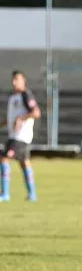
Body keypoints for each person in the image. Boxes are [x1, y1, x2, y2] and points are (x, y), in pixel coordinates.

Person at [2, 71, 41, 202]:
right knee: (24, 163)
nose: (14, 82)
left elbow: (36, 113)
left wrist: (21, 118)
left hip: (20, 137)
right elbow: (12, 117)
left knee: (4, 159)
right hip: (16, 136)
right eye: (13, 80)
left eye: (17, 79)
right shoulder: (14, 97)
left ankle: (5, 194)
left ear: (23, 80)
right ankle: (32, 194)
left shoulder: (25, 95)